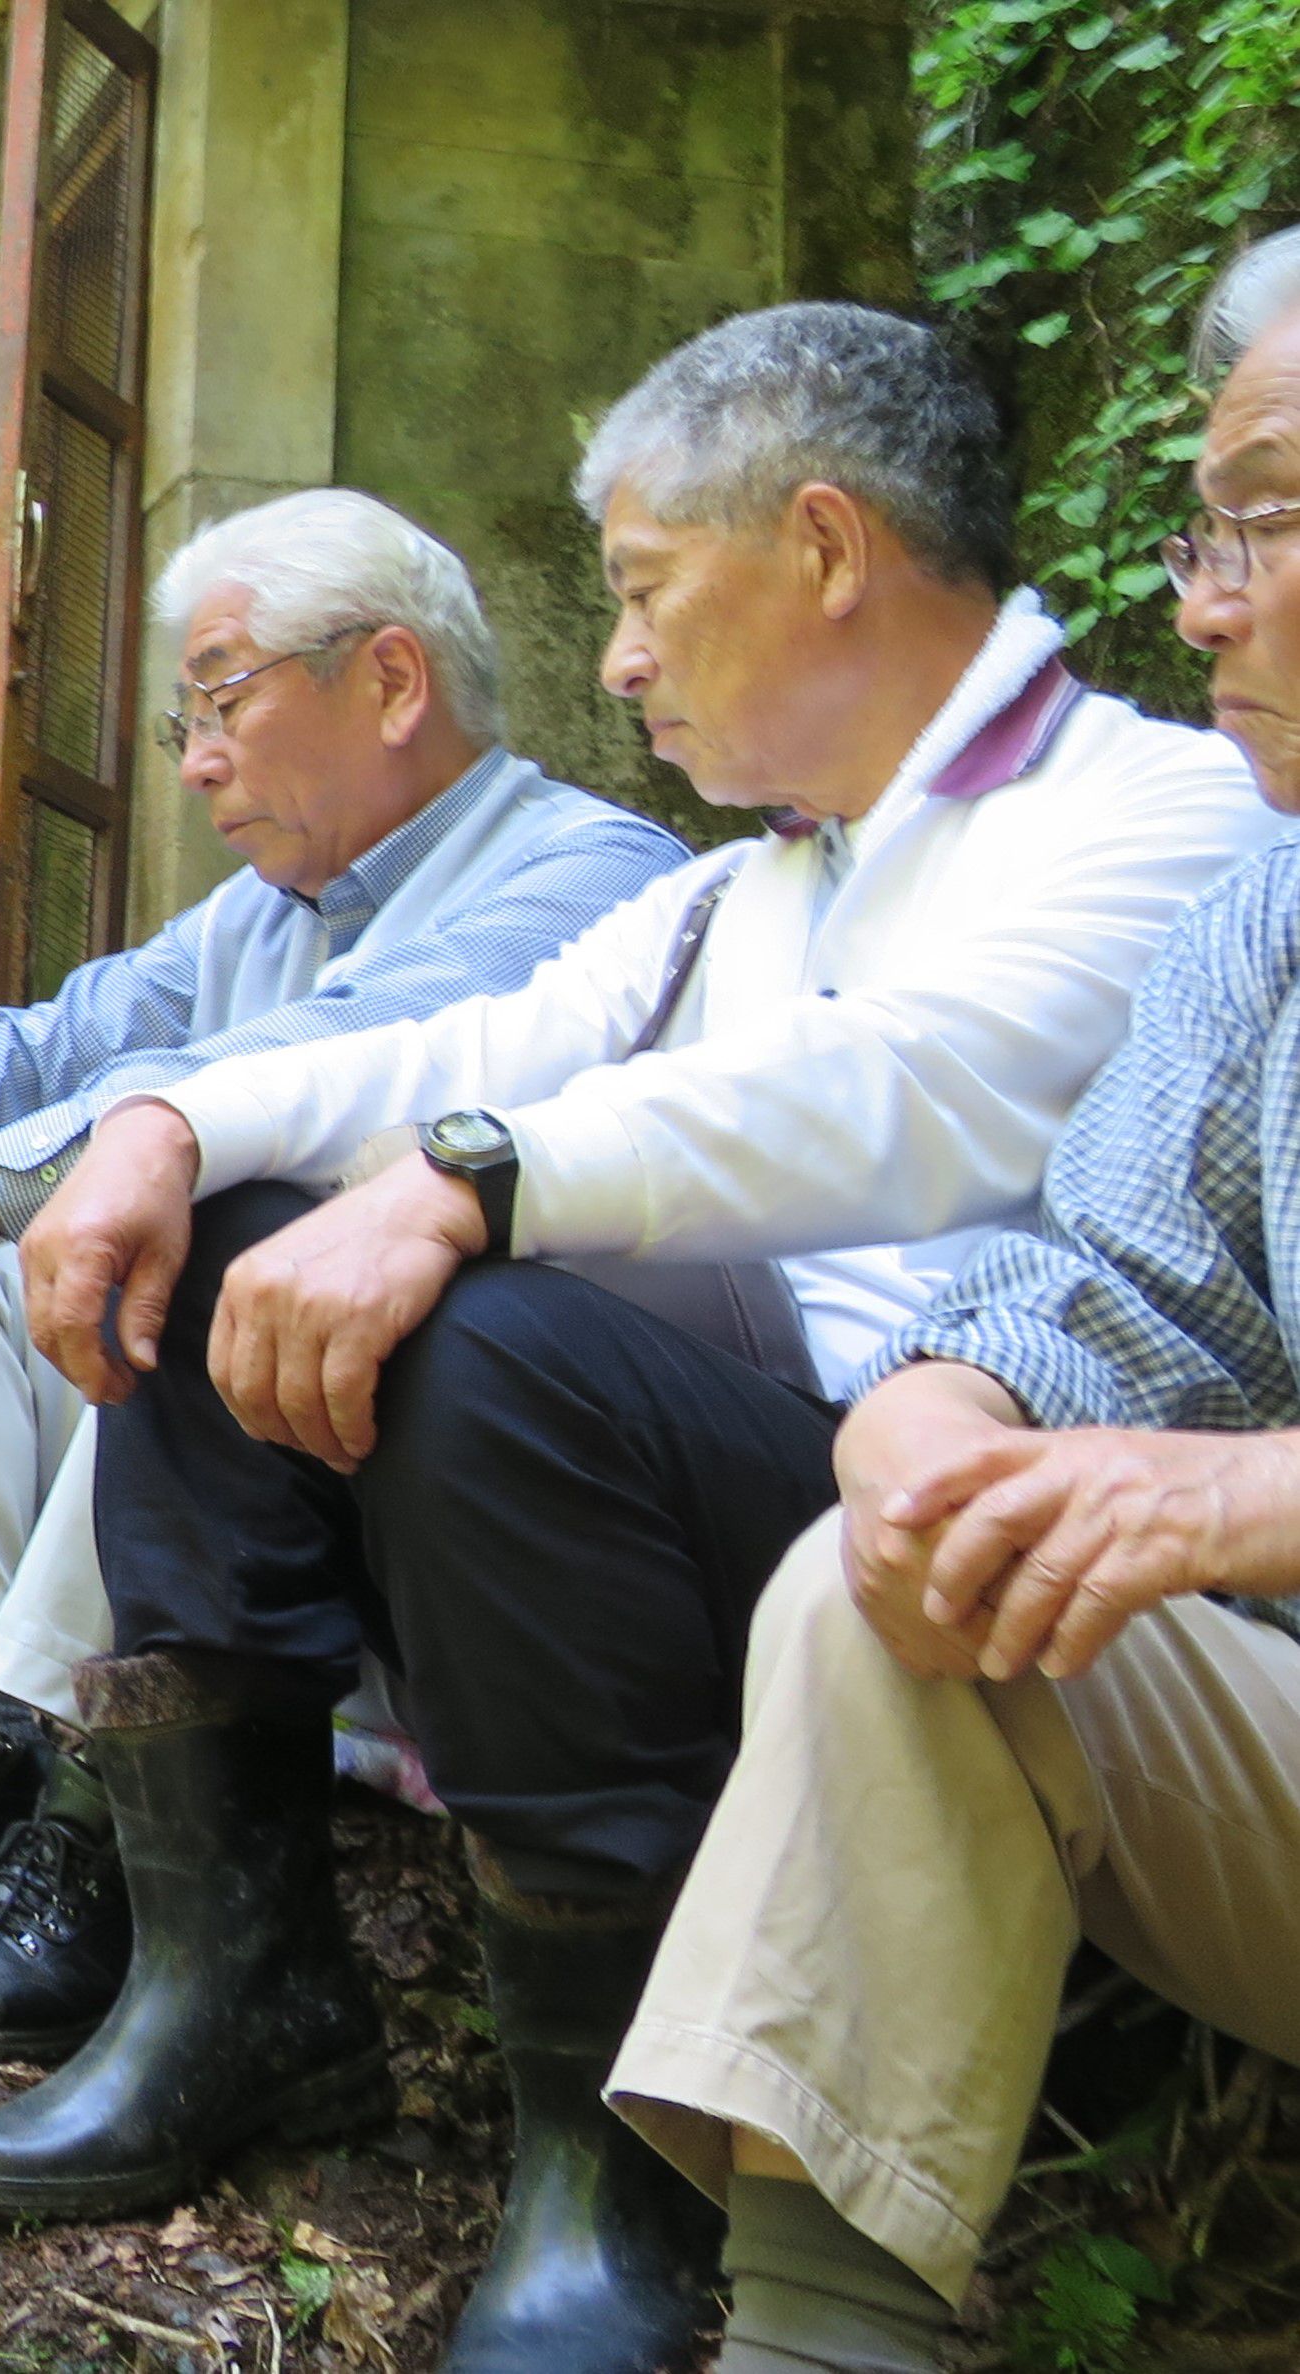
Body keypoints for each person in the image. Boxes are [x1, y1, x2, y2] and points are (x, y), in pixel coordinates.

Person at [0, 305, 1275, 2373]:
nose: (620, 659)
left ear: (826, 548)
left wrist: (462, 1182)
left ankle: (620, 2160)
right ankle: (241, 1978)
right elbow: (458, 1046)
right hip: (749, 1528)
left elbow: (895, 1084)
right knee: (242, 1226)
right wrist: (161, 1124)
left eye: (653, 591)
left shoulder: (1166, 815)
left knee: (477, 1334)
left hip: (940, 1548)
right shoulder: (731, 894)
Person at [0, 489, 687, 2059]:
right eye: (182, 720)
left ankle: (100, 1831)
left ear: (391, 680)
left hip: (462, 1496)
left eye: (219, 698)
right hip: (295, 1452)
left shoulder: (584, 870)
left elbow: (320, 1060)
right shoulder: (252, 912)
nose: (197, 757)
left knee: (178, 1221)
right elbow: (37, 1042)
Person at [606, 232, 1300, 2374]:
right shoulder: (1273, 890)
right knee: (909, 1578)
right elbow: (1113, 1264)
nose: (1203, 598)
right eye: (1213, 531)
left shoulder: (1123, 812)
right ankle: (813, 2333)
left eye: (1272, 521)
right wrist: (939, 1393)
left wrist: (1254, 1499)